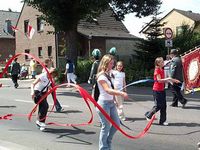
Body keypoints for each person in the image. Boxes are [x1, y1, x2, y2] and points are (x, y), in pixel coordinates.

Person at [96, 54, 128, 150]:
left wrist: (115, 100)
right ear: (105, 64)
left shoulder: (109, 74)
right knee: (105, 127)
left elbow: (112, 89)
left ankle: (108, 141)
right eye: (111, 63)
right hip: (103, 104)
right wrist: (121, 93)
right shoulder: (101, 76)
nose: (112, 65)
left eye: (113, 63)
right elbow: (107, 90)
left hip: (110, 103)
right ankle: (103, 147)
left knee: (116, 124)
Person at [145, 57, 180, 126]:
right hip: (156, 90)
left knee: (164, 106)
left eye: (163, 62)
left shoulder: (162, 69)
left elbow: (164, 79)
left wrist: (173, 80)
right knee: (158, 105)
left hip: (162, 89)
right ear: (158, 63)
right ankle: (149, 115)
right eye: (161, 62)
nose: (163, 63)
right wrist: (169, 78)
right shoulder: (157, 69)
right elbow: (159, 80)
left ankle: (162, 121)